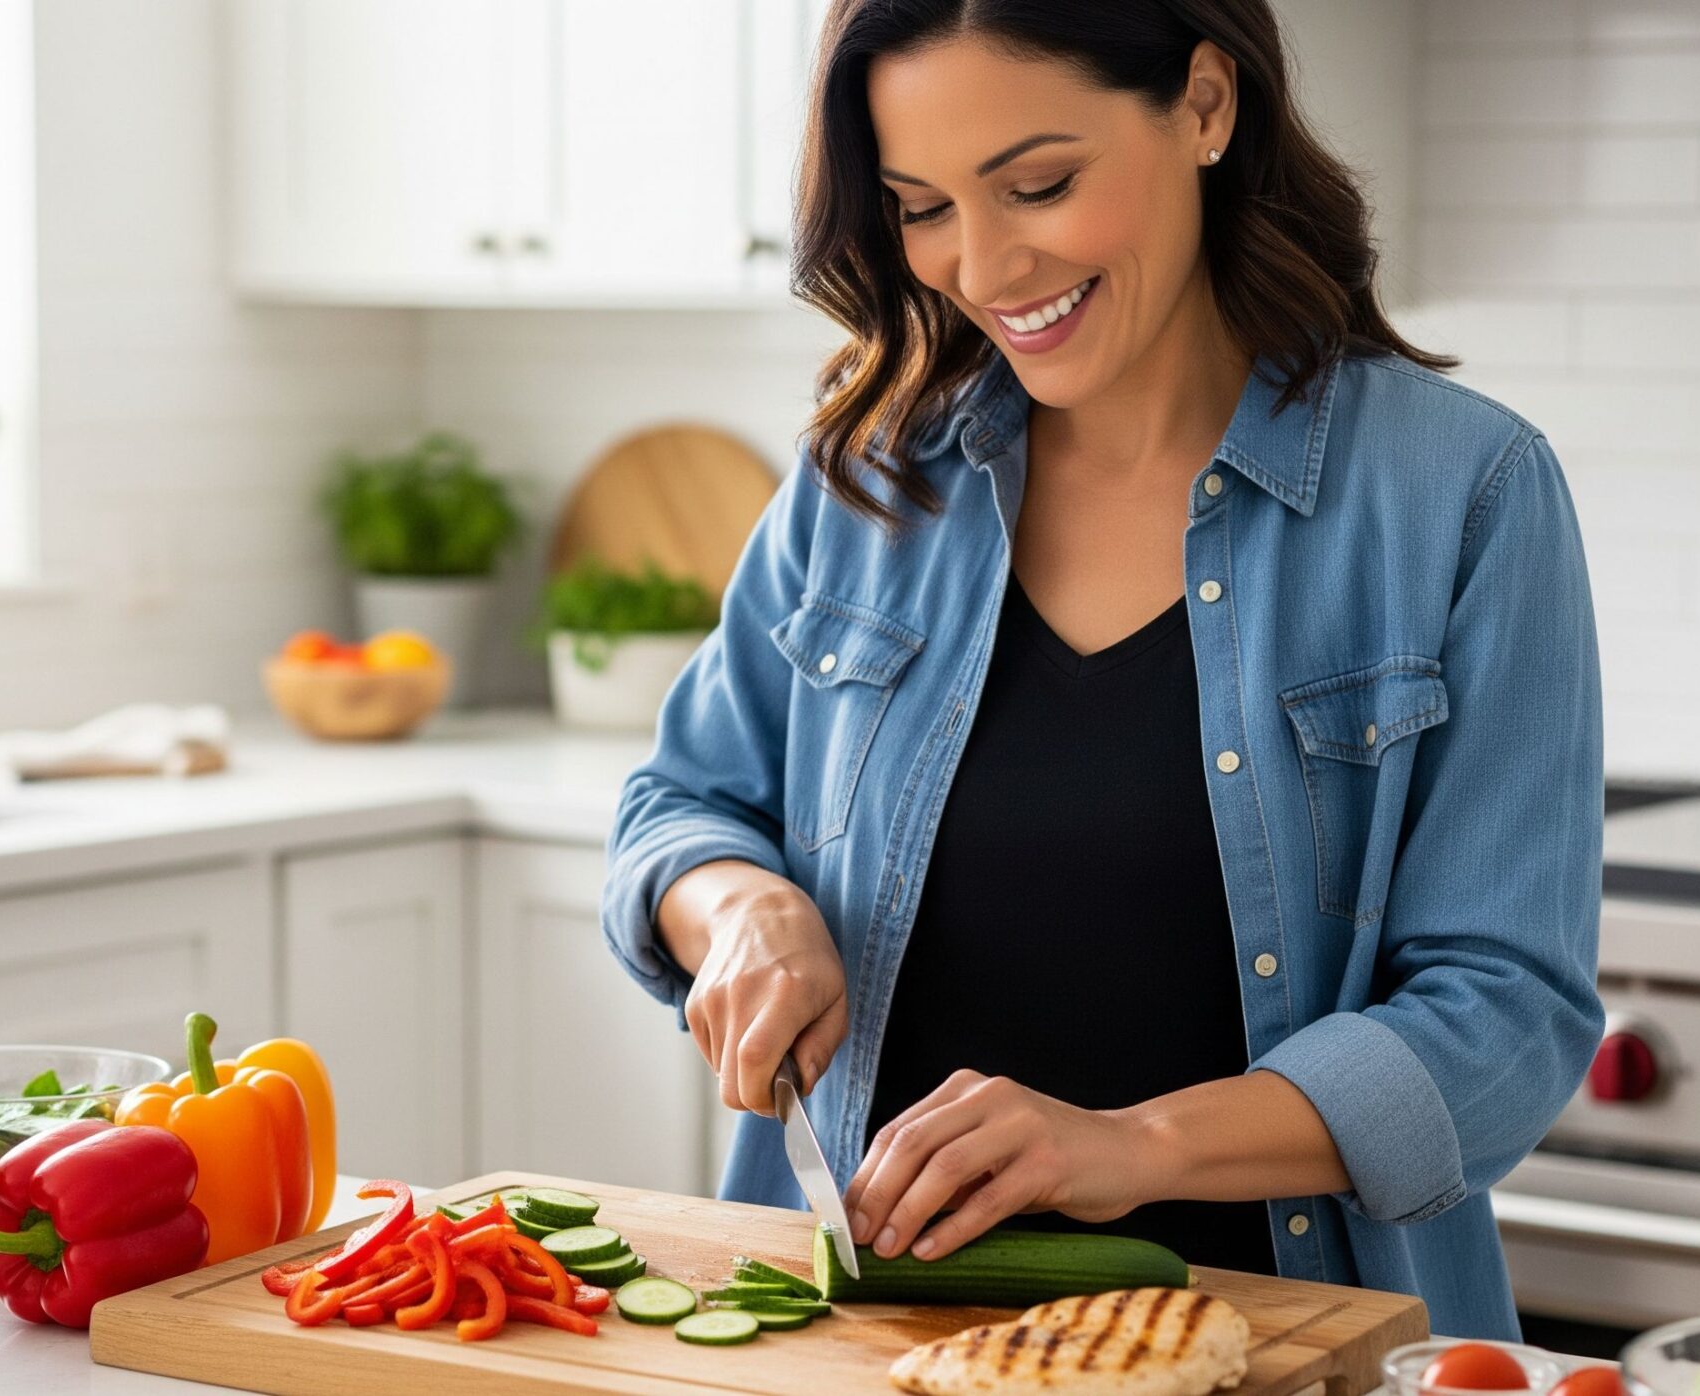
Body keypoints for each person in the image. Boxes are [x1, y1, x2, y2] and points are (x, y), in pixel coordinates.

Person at [599, 0, 1602, 1339]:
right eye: (921, 206)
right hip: (859, 1346)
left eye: (1038, 184)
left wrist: (1132, 1148)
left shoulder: (1459, 495)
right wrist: (737, 911)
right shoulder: (868, 479)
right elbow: (677, 808)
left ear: (1202, 105)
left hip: (1286, 1344)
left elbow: (1507, 1016)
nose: (983, 263)